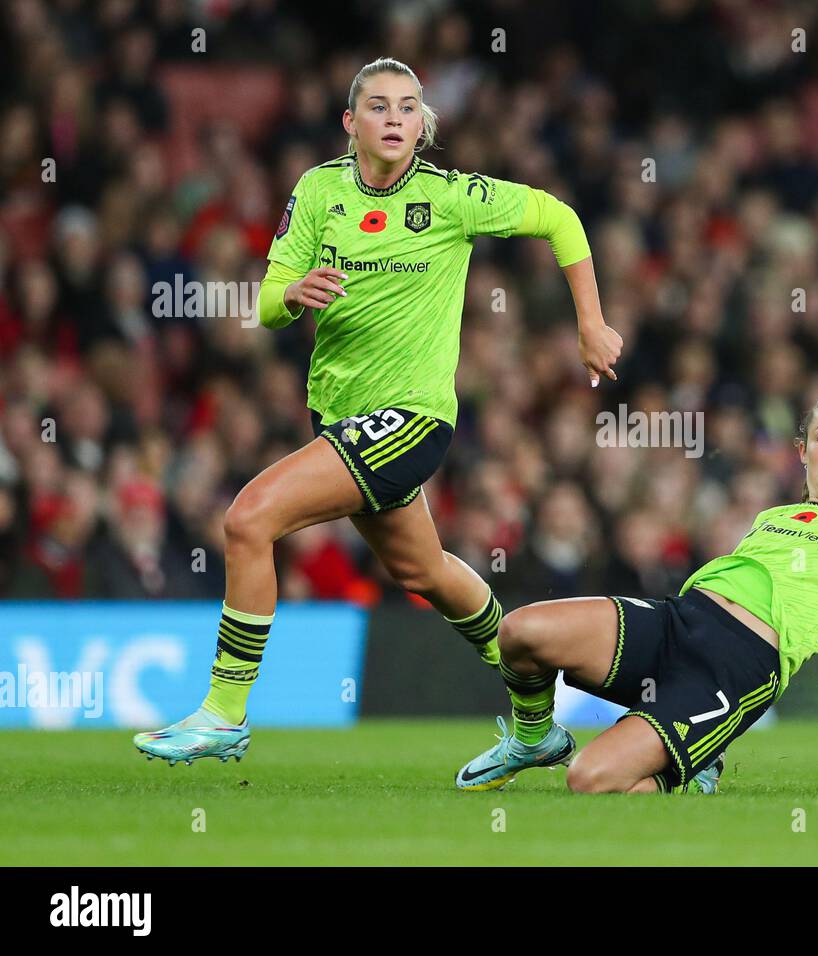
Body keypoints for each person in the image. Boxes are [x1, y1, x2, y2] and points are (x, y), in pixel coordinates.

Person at [134, 57, 623, 766]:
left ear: (424, 126)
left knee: (248, 518)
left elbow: (560, 218)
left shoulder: (453, 196)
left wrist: (590, 323)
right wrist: (294, 292)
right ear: (350, 123)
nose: (395, 119)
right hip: (340, 419)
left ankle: (225, 713)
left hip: (414, 418)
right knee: (427, 573)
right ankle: (536, 719)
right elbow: (267, 303)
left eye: (407, 108)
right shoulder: (318, 190)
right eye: (379, 107)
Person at [455, 393, 818, 794]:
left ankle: (694, 765)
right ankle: (535, 740)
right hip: (679, 619)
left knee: (589, 778)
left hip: (738, 665)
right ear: (802, 450)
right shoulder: (773, 516)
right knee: (519, 630)